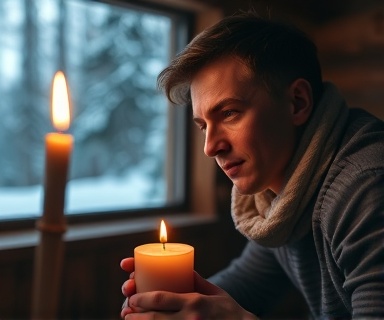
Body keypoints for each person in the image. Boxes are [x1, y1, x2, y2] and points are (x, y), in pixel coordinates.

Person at [120, 11, 384, 320]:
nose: (210, 147)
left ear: (297, 102)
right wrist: (170, 305)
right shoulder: (283, 194)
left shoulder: (365, 185)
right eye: (203, 125)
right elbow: (248, 283)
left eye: (229, 113)